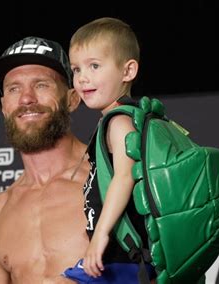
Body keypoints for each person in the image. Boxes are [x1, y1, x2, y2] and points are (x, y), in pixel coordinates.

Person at [0, 36, 90, 283]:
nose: (26, 99)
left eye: (41, 85)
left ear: (72, 99)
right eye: (14, 89)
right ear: (4, 106)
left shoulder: (112, 180)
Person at [64, 17, 157, 283]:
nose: (83, 78)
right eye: (76, 69)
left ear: (128, 71)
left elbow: (125, 176)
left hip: (124, 259)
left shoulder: (119, 122)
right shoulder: (115, 119)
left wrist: (101, 234)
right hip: (119, 258)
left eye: (94, 66)